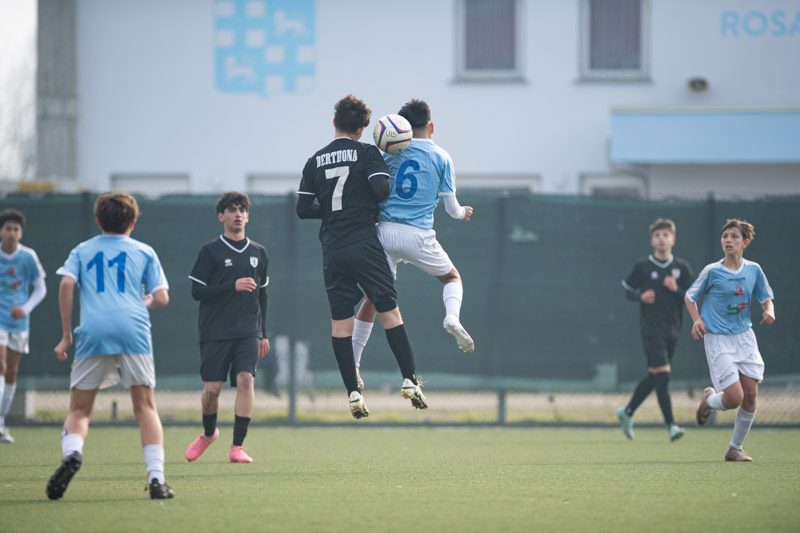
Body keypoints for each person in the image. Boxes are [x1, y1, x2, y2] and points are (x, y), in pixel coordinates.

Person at [297, 94, 426, 418]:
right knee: (389, 312)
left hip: (333, 249)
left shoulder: (314, 160)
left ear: (334, 122)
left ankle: (353, 392)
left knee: (341, 323)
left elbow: (303, 209)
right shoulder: (367, 153)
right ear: (362, 129)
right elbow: (381, 191)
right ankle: (410, 380)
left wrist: (332, 211)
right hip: (364, 244)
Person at [48, 191, 173, 500]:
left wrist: (66, 335)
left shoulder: (82, 250)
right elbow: (161, 298)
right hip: (134, 330)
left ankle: (72, 453)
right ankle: (156, 480)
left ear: (98, 221)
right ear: (132, 222)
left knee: (79, 409)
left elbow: (66, 283)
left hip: (94, 331)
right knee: (145, 408)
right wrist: (142, 302)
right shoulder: (144, 251)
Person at [350, 99, 474, 392]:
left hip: (383, 233)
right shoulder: (442, 156)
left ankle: (353, 363)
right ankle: (452, 317)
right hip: (418, 235)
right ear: (431, 126)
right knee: (451, 278)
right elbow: (452, 209)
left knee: (373, 298)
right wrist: (463, 213)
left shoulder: (389, 153)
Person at [185, 192, 269, 464]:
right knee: (212, 390)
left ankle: (237, 447)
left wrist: (263, 333)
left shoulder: (259, 252)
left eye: (242, 209)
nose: (237, 214)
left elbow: (263, 295)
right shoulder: (209, 251)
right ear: (221, 216)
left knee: (246, 380)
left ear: (248, 216)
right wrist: (231, 286)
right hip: (215, 330)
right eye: (232, 209)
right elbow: (197, 292)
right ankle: (209, 433)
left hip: (248, 330)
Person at [686, 219, 775, 462]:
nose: (728, 240)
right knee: (734, 398)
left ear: (745, 242)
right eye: (725, 236)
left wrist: (769, 310)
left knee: (751, 396)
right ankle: (709, 401)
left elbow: (766, 297)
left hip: (744, 339)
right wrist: (697, 320)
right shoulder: (712, 271)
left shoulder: (753, 270)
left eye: (734, 236)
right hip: (718, 340)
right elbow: (690, 296)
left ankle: (735, 449)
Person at [617, 218, 693, 442]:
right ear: (652, 240)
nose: (661, 239)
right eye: (657, 235)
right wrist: (640, 296)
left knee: (656, 375)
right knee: (664, 375)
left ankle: (627, 412)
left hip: (673, 330)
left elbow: (690, 298)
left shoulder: (681, 268)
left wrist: (676, 289)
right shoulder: (643, 266)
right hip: (651, 330)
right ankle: (671, 425)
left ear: (673, 240)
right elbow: (628, 290)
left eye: (665, 235)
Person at [0, 209, 47, 443]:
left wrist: (25, 309)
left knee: (11, 372)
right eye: (7, 228)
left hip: (19, 323)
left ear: (21, 233)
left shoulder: (28, 257)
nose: (11, 233)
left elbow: (41, 288)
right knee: (0, 365)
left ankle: (1, 423)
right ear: (1, 231)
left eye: (15, 229)